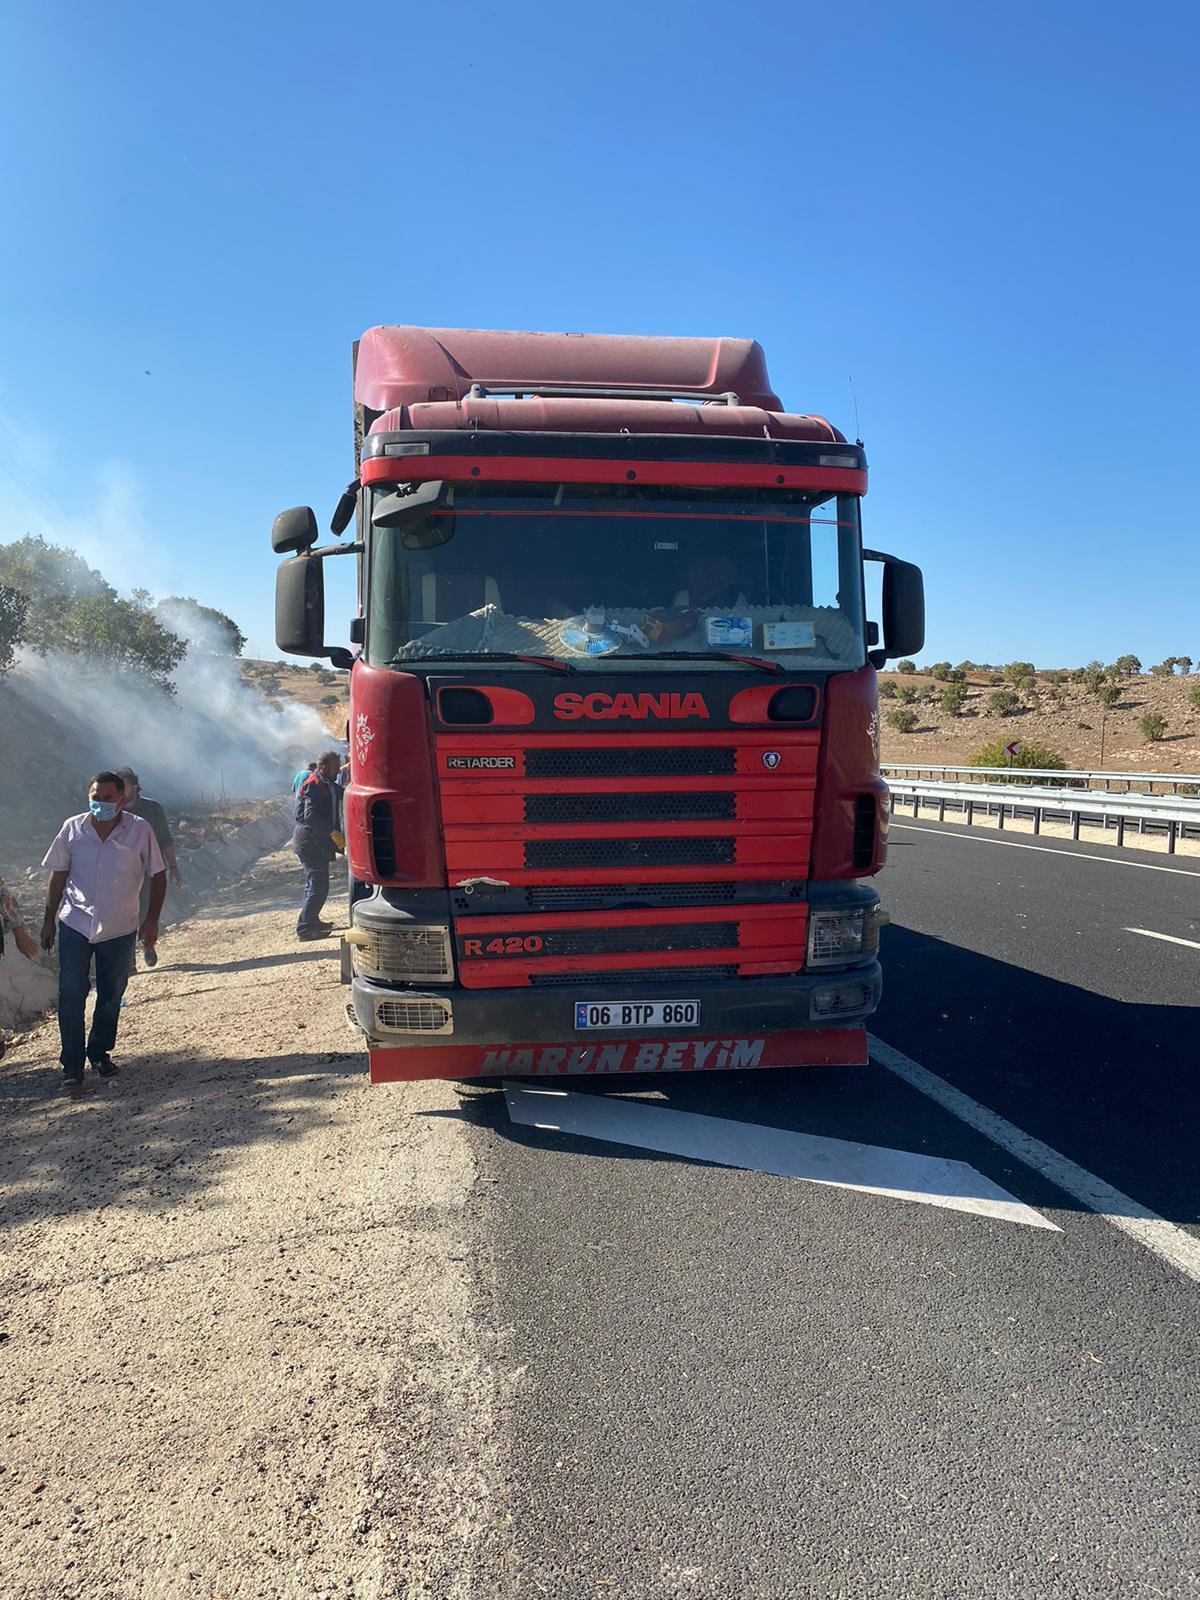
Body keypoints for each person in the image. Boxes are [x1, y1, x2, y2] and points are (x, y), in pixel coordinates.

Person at [41, 771, 166, 1085]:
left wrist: (151, 920)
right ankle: (71, 1064)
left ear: (121, 800)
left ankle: (98, 1051)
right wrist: (48, 920)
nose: (100, 803)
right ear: (89, 795)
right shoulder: (72, 829)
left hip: (119, 926)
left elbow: (158, 874)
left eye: (108, 799)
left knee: (111, 994)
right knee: (70, 992)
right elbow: (58, 875)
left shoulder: (139, 830)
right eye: (96, 797)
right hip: (75, 923)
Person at [114, 767, 182, 972]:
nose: (120, 791)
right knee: (124, 915)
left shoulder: (152, 809)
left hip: (150, 870)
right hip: (121, 873)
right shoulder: (112, 811)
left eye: (123, 786)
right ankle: (129, 961)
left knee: (145, 911)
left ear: (135, 787)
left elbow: (165, 839)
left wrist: (173, 867)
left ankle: (147, 943)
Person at [292, 752, 341, 940]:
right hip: (309, 843)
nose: (338, 771)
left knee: (313, 884)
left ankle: (312, 920)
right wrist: (332, 833)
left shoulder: (325, 785)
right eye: (335, 768)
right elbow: (310, 816)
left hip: (314, 842)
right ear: (323, 768)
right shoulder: (313, 786)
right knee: (319, 886)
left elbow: (339, 793)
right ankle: (305, 928)